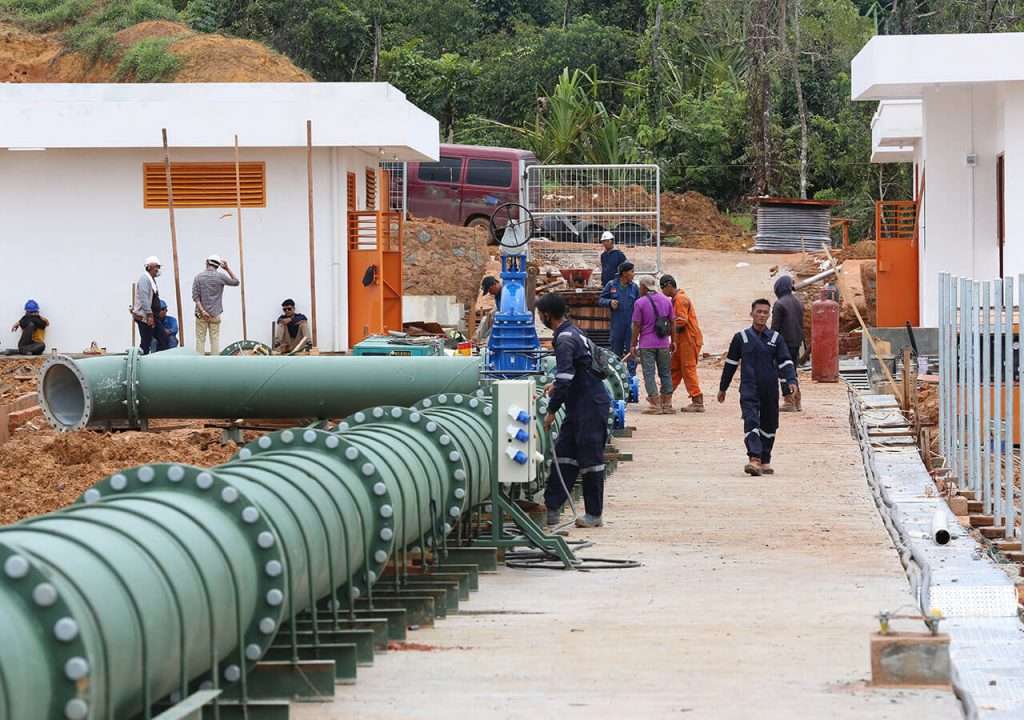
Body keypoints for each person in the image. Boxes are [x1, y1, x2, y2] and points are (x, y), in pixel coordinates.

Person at [538, 293, 611, 529]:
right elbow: (577, 369)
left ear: (547, 315)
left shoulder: (565, 339)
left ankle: (594, 514)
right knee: (564, 454)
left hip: (589, 405)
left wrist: (551, 411)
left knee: (590, 460)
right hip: (579, 405)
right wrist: (556, 384)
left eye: (540, 315)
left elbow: (566, 377)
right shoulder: (573, 331)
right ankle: (552, 508)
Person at [718, 299, 798, 477]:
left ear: (769, 315)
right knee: (751, 420)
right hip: (749, 387)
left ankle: (765, 459)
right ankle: (754, 458)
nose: (762, 315)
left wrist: (791, 380)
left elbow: (785, 361)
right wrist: (723, 388)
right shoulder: (741, 338)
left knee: (770, 424)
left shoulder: (776, 339)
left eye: (765, 312)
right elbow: (730, 364)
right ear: (752, 314)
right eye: (758, 312)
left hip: (770, 388)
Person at [627, 276, 676, 414]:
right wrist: (674, 341)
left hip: (647, 344)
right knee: (665, 372)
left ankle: (655, 404)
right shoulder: (666, 300)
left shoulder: (640, 303)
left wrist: (633, 344)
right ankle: (667, 403)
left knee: (649, 373)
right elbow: (673, 322)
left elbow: (636, 325)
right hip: (663, 343)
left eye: (640, 287)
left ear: (644, 287)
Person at [661, 275, 705, 412]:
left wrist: (665, 330)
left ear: (669, 285)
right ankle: (665, 396)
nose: (662, 291)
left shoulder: (680, 299)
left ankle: (697, 400)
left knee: (687, 369)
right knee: (674, 369)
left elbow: (681, 321)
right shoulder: (676, 299)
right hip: (681, 340)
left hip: (689, 340)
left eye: (663, 288)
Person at [192, 253, 239, 355]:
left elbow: (195, 297)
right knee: (215, 339)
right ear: (218, 265)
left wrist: (203, 311)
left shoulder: (198, 277)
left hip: (200, 314)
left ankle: (199, 361)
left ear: (207, 262)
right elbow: (236, 282)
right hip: (215, 313)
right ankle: (215, 360)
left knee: (200, 339)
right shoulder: (221, 277)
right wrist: (227, 269)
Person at [598, 261, 639, 376]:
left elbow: (639, 304)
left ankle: (631, 377)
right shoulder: (611, 285)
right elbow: (600, 300)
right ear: (624, 273)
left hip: (631, 325)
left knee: (631, 351)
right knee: (616, 353)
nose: (634, 274)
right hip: (617, 325)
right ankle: (617, 375)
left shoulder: (634, 287)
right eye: (632, 271)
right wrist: (610, 302)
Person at [771, 275, 804, 412]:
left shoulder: (779, 304)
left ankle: (788, 400)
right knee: (792, 371)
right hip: (796, 342)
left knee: (783, 372)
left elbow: (775, 327)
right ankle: (797, 400)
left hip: (783, 343)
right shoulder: (798, 302)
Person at [133, 256, 166, 355]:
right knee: (146, 342)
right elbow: (144, 298)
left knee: (162, 338)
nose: (158, 270)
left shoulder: (151, 280)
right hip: (145, 317)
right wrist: (149, 315)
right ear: (150, 267)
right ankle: (141, 359)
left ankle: (158, 359)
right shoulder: (144, 279)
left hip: (153, 316)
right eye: (157, 267)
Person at [475, 276, 503, 343]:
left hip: (507, 320)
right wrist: (491, 313)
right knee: (486, 318)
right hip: (500, 316)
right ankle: (476, 339)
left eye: (490, 290)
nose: (490, 293)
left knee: (494, 326)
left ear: (494, 285)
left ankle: (486, 342)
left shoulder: (505, 292)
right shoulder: (497, 294)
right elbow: (498, 307)